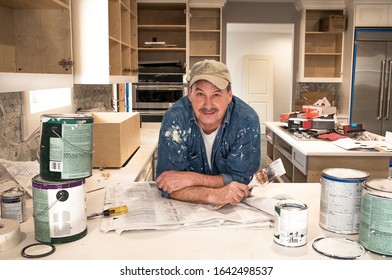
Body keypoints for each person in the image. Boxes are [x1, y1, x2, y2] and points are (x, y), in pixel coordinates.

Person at [155, 59, 261, 206]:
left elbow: (242, 183)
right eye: (200, 94)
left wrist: (191, 179)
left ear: (229, 95)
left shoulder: (246, 120)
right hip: (184, 210)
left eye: (216, 95)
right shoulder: (175, 119)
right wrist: (214, 195)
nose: (208, 104)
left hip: (233, 210)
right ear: (190, 94)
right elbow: (167, 184)